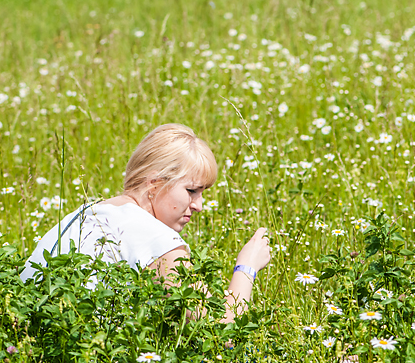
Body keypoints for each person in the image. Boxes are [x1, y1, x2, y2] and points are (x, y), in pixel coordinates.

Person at [21, 123, 271, 323]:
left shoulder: (88, 212)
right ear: (155, 184)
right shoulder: (157, 241)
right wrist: (246, 268)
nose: (199, 205)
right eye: (192, 191)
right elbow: (220, 331)